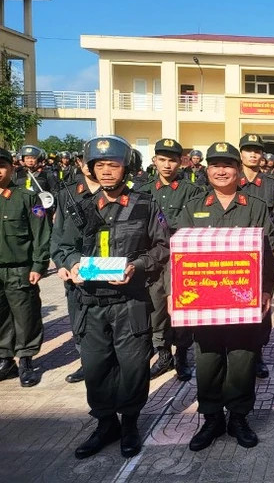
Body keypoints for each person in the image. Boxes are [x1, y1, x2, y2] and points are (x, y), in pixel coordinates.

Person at [56, 136, 169, 459]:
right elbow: (61, 246)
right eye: (100, 165)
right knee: (95, 366)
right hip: (89, 304)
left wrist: (136, 266)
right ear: (90, 168)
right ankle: (105, 423)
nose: (106, 171)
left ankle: (130, 422)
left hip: (130, 302)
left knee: (134, 366)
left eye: (113, 165)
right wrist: (70, 264)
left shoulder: (145, 204)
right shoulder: (76, 205)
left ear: (125, 167)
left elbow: (161, 247)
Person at [178, 142, 274, 451]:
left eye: (227, 165)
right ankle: (211, 419)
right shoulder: (193, 206)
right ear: (207, 170)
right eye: (215, 165)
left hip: (242, 300)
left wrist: (265, 290)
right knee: (207, 360)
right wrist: (177, 294)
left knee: (242, 359)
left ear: (238, 170)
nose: (221, 171)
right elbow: (179, 254)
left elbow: (267, 254)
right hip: (204, 301)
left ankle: (238, 417)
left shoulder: (255, 206)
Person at [137, 138, 203, 380]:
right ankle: (163, 354)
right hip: (154, 260)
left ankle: (182, 354)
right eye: (162, 159)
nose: (167, 165)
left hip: (180, 260)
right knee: (156, 308)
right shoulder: (142, 192)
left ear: (181, 162)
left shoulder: (193, 191)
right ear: (154, 161)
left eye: (172, 160)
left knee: (182, 308)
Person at [50, 153, 103, 384]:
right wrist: (62, 264)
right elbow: (58, 233)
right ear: (81, 165)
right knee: (78, 318)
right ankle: (86, 362)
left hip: (106, 266)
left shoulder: (115, 192)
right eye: (88, 162)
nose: (93, 167)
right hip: (75, 267)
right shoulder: (67, 193)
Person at [0, 147, 51, 387]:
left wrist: (39, 264)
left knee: (25, 316)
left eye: (2, 166)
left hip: (20, 268)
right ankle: (5, 359)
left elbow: (41, 234)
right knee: (1, 317)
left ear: (12, 168)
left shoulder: (27, 197)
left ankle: (26, 360)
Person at [238, 133, 274, 379]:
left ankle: (257, 355)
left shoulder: (271, 185)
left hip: (262, 250)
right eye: (248, 150)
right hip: (235, 254)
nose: (253, 154)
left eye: (257, 150)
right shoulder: (232, 180)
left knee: (261, 303)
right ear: (241, 153)